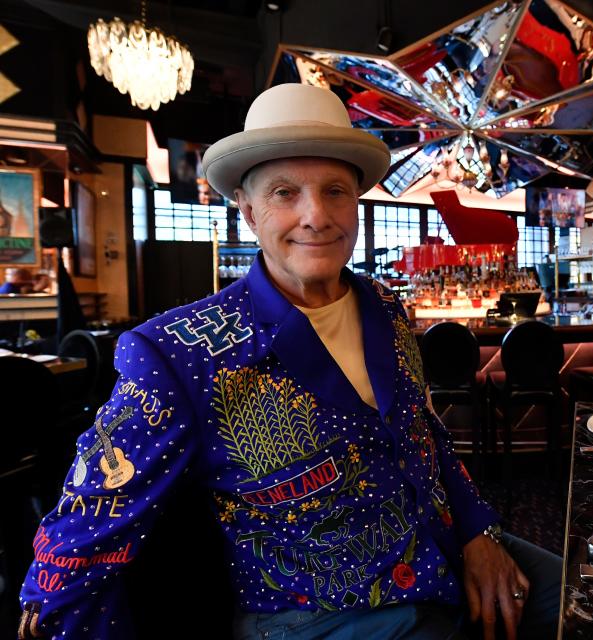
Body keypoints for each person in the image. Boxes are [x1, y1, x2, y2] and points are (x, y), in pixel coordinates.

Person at [18, 84, 560, 640]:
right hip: (318, 613)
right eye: (284, 193)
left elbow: (425, 434)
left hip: (443, 549)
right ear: (249, 212)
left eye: (335, 191)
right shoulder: (179, 350)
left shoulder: (387, 308)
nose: (316, 216)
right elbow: (86, 528)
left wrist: (478, 533)